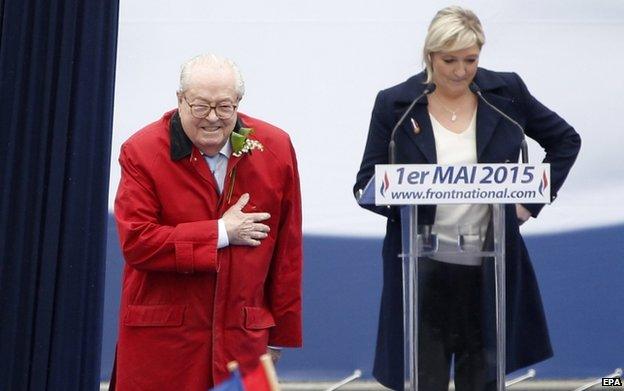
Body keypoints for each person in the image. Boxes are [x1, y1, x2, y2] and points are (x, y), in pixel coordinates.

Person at [354, 6, 581, 391]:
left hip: (490, 269)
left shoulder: (505, 94)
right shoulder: (397, 104)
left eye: (471, 60)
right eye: (450, 60)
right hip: (421, 272)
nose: (461, 71)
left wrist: (529, 204)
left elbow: (565, 140)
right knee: (427, 378)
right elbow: (366, 183)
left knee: (483, 380)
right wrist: (406, 200)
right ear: (430, 56)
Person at [111, 54, 302, 390]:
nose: (213, 118)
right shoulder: (141, 151)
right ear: (180, 100)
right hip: (164, 345)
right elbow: (138, 243)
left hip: (244, 342)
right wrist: (220, 233)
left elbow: (287, 253)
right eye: (200, 106)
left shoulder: (275, 148)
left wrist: (278, 337)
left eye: (224, 107)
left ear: (239, 103)